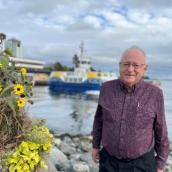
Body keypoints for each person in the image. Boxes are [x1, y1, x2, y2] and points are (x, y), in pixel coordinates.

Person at [91, 47, 169, 172]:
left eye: (136, 65)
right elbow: (99, 120)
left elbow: (161, 130)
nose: (130, 69)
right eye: (126, 64)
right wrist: (95, 145)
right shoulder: (106, 88)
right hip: (108, 162)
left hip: (142, 164)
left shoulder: (155, 94)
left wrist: (160, 163)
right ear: (120, 66)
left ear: (145, 68)